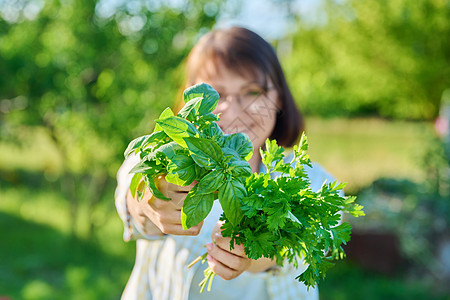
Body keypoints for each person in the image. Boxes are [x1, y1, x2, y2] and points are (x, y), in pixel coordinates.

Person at [115, 26, 339, 300]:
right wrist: (145, 203)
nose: (234, 110)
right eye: (215, 93)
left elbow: (314, 241)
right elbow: (130, 186)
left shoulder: (309, 180)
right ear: (191, 99)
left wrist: (261, 255)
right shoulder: (167, 159)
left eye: (252, 92)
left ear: (277, 96)